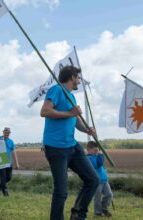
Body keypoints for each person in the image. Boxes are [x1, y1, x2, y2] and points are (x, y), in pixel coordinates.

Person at [40, 65, 99, 220]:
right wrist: (69, 113)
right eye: (78, 77)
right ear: (72, 77)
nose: (79, 80)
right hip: (56, 147)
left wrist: (87, 130)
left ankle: (78, 215)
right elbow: (44, 111)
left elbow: (75, 120)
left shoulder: (71, 96)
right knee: (61, 191)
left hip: (72, 146)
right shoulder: (56, 90)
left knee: (93, 180)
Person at [87, 141, 113, 217]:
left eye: (97, 150)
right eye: (95, 150)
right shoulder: (89, 158)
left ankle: (104, 208)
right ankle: (98, 212)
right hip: (97, 181)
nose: (96, 152)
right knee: (97, 198)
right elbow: (99, 164)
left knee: (109, 194)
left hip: (104, 180)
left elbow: (101, 166)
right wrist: (101, 155)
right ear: (88, 150)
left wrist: (99, 155)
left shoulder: (96, 156)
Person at [0, 127, 20, 196]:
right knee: (3, 178)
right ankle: (5, 192)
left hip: (9, 162)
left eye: (8, 133)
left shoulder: (11, 141)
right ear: (3, 132)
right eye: (6, 132)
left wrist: (16, 163)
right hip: (1, 162)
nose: (7, 134)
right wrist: (0, 141)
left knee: (8, 178)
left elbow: (13, 152)